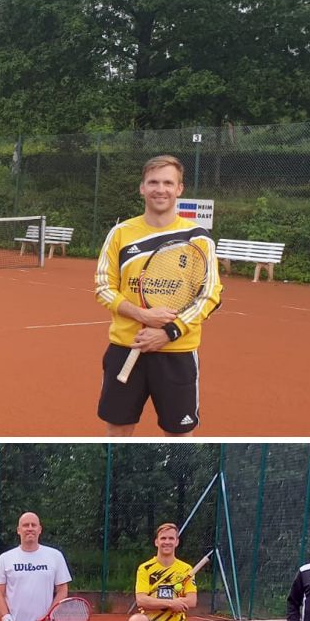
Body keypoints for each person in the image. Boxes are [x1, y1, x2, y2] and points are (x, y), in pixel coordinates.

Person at [94, 154, 224, 436]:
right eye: (153, 182)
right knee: (117, 430)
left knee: (179, 436)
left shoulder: (198, 238)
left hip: (177, 353)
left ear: (179, 189)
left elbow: (210, 295)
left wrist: (169, 332)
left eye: (168, 182)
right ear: (142, 187)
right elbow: (104, 287)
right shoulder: (120, 233)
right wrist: (140, 314)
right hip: (126, 347)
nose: (160, 189)